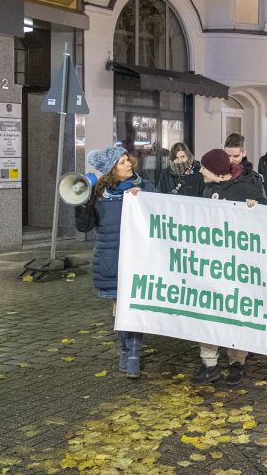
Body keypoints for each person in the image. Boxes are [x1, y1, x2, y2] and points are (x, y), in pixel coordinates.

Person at [189, 149, 267, 386]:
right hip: (211, 264)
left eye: (203, 167)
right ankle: (209, 363)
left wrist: (258, 208)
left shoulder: (247, 187)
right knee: (208, 311)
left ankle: (237, 362)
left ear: (216, 172)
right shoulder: (208, 190)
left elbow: (264, 218)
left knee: (236, 312)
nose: (200, 171)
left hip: (238, 266)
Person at [74, 146, 155, 378]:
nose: (128, 164)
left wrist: (146, 199)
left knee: (134, 306)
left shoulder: (144, 186)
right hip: (111, 257)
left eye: (127, 159)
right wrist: (82, 203)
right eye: (122, 162)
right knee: (120, 308)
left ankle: (133, 355)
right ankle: (124, 350)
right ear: (111, 170)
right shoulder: (99, 193)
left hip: (138, 258)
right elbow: (84, 226)